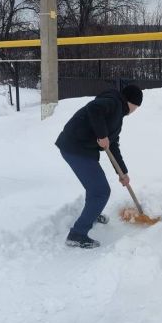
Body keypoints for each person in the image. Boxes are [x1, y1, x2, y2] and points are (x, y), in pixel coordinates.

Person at [55, 85, 143, 249]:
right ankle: (77, 234)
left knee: (96, 189)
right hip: (75, 148)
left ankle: (92, 214)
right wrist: (102, 135)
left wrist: (122, 172)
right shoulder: (114, 102)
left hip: (82, 149)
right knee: (101, 191)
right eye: (136, 107)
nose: (135, 111)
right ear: (132, 102)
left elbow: (113, 145)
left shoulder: (117, 115)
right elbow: (93, 108)